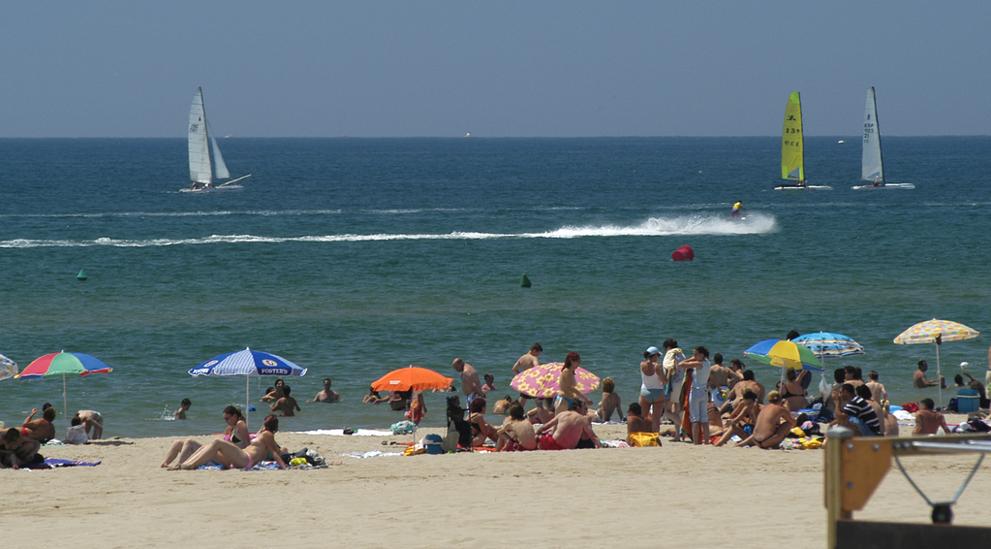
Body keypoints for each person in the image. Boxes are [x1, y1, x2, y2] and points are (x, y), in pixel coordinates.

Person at [170, 415, 287, 470]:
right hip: (241, 457)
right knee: (209, 446)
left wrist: (284, 467)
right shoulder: (263, 434)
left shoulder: (268, 435)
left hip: (246, 459)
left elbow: (275, 453)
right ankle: (185, 464)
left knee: (217, 442)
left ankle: (190, 465)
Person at [161, 406, 250, 468]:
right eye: (224, 419)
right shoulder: (230, 428)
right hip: (218, 454)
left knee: (190, 442)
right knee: (179, 443)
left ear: (234, 416)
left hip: (228, 458)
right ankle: (165, 463)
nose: (226, 421)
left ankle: (179, 465)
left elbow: (248, 444)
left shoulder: (240, 424)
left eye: (227, 418)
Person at [678, 346, 713, 445]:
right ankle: (706, 441)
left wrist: (691, 359)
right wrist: (695, 357)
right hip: (704, 391)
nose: (694, 356)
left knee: (695, 419)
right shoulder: (708, 363)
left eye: (696, 354)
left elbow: (681, 364)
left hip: (696, 392)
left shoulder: (698, 364)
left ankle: (696, 442)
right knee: (704, 419)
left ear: (702, 354)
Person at [535, 400, 601, 450]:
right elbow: (593, 436)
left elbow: (544, 427)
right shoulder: (583, 419)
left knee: (539, 438)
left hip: (550, 442)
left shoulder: (562, 414)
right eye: (584, 408)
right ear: (578, 407)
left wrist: (537, 433)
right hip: (563, 447)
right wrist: (600, 446)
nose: (586, 411)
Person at [661, 339, 687, 441]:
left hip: (672, 384)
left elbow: (669, 368)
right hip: (681, 383)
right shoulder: (682, 355)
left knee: (667, 411)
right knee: (677, 410)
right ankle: (678, 435)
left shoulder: (670, 355)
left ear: (668, 347)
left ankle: (683, 427)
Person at [638, 347, 666, 432]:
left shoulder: (642, 364)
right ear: (654, 356)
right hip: (658, 392)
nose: (658, 358)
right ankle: (655, 438)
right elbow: (664, 381)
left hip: (645, 391)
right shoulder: (657, 366)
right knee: (656, 419)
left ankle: (643, 435)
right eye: (657, 356)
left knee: (643, 417)